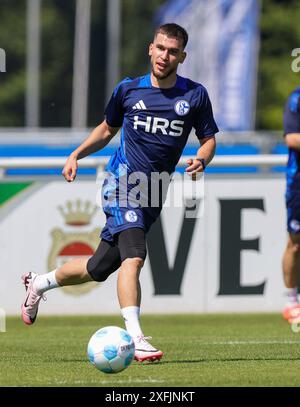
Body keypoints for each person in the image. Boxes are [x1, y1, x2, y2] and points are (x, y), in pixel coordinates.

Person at [21, 23, 218, 361]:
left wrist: (202, 158)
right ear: (150, 49)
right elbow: (106, 129)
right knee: (134, 256)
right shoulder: (128, 90)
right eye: (160, 48)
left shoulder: (194, 95)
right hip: (121, 183)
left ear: (182, 57)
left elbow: (209, 139)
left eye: (172, 51)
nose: (164, 56)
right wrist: (76, 154)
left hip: (154, 191)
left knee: (98, 268)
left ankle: (39, 283)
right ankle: (136, 337)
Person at [282, 86, 300, 323]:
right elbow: (292, 137)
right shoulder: (296, 99)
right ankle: (291, 300)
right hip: (298, 182)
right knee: (296, 243)